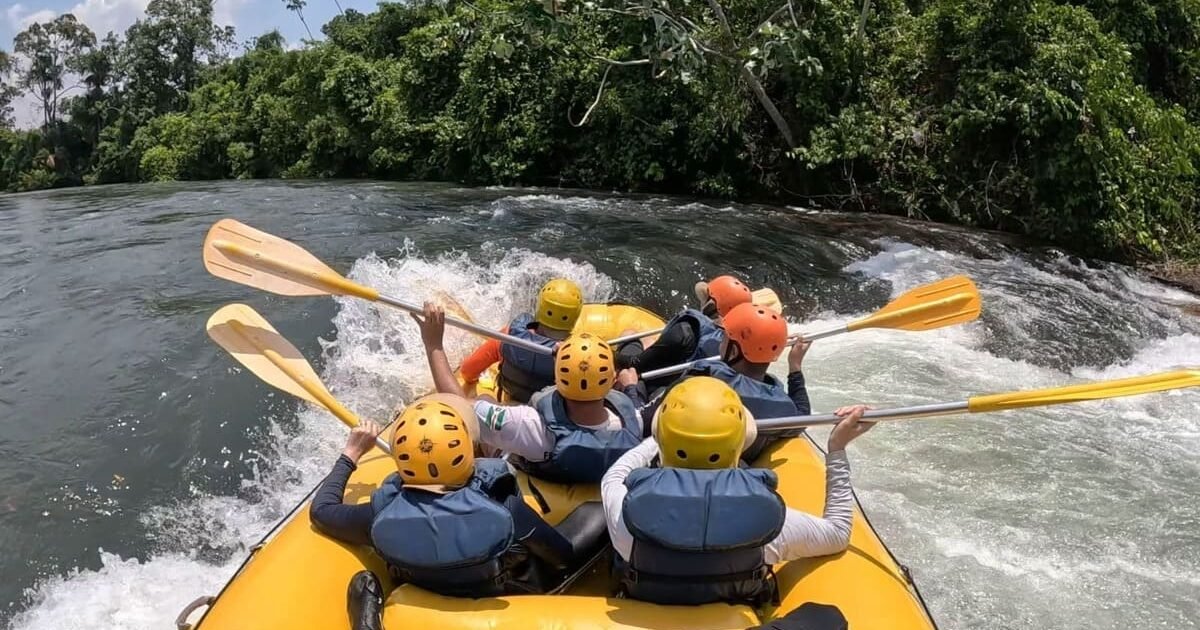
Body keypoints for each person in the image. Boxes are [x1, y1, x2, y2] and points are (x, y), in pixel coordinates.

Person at [601, 376, 874, 607]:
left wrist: (656, 440)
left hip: (646, 610)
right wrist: (836, 449)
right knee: (827, 618)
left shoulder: (625, 514)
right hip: (733, 613)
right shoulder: (770, 525)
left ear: (662, 436)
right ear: (741, 442)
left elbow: (614, 475)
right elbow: (838, 532)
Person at [310, 393, 579, 624]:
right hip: (496, 598)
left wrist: (351, 454)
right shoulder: (505, 507)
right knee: (587, 518)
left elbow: (321, 510)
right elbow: (562, 555)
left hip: (418, 598)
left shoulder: (377, 516)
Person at [415, 302, 645, 484]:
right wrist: (631, 388)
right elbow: (637, 407)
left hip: (535, 472)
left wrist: (433, 344)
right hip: (592, 480)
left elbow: (460, 406)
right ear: (613, 381)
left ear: (557, 379)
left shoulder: (528, 425)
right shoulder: (633, 421)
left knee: (484, 399)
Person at [640, 301, 813, 460]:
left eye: (725, 337)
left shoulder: (703, 375)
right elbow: (802, 416)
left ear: (733, 351)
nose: (721, 341)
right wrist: (795, 366)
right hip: (729, 468)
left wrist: (632, 388)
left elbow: (645, 420)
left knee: (641, 385)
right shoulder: (781, 406)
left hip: (673, 459)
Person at [459, 278, 584, 403]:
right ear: (576, 315)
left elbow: (467, 371)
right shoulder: (577, 354)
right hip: (547, 413)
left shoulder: (508, 336)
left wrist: (472, 382)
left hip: (511, 399)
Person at [615, 275, 753, 388]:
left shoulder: (685, 330)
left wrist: (607, 353)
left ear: (710, 306)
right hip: (690, 380)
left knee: (629, 334)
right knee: (649, 340)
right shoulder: (737, 342)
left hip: (656, 384)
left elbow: (634, 363)